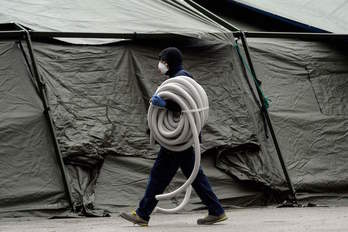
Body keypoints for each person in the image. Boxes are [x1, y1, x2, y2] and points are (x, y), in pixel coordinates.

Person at [120, 47, 227, 226]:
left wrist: (165, 105)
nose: (160, 64)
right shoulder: (175, 80)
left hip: (179, 137)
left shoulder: (183, 79)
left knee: (159, 175)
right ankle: (216, 210)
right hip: (181, 138)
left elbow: (187, 106)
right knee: (194, 176)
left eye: (162, 60)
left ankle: (142, 214)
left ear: (169, 62)